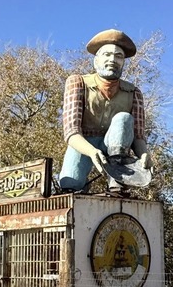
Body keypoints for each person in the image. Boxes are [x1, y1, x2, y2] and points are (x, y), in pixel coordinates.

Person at [58, 29, 152, 193]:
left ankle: (118, 179)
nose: (112, 60)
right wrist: (92, 151)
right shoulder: (78, 82)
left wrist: (144, 154)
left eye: (118, 56)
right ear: (96, 60)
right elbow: (71, 131)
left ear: (123, 63)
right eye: (107, 55)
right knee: (69, 185)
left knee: (123, 118)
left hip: (116, 145)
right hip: (84, 143)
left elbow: (138, 135)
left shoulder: (133, 92)